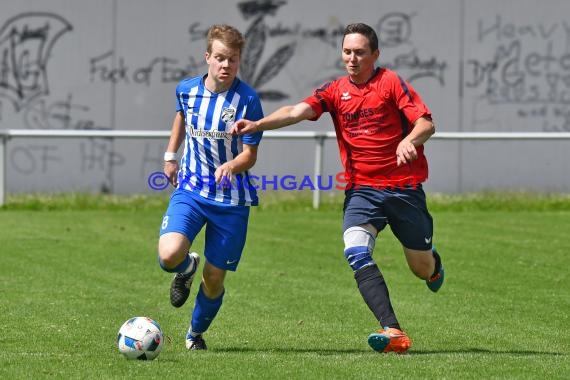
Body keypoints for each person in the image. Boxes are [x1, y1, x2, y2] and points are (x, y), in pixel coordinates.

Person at [231, 22, 444, 354]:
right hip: (362, 191)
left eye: (360, 52)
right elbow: (296, 111)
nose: (352, 58)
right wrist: (259, 124)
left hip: (403, 189)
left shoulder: (390, 83)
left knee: (421, 268)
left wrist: (409, 140)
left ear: (375, 54)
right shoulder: (334, 90)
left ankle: (434, 266)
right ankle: (393, 330)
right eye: (347, 51)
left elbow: (426, 122)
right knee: (355, 250)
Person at [157, 24, 263, 350]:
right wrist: (170, 156)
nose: (225, 65)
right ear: (207, 57)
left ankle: (194, 334)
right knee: (168, 255)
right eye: (219, 58)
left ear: (238, 61)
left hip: (231, 202)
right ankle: (188, 265)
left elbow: (250, 156)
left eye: (232, 59)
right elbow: (181, 118)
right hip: (191, 189)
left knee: (215, 280)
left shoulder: (248, 100)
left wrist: (232, 165)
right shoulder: (187, 90)